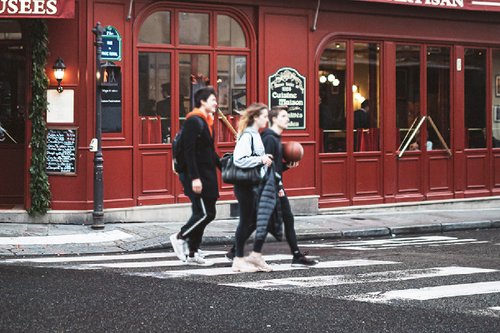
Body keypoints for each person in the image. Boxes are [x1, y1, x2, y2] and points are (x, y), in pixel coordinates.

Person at [226, 106, 319, 267]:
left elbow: (273, 165)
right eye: (283, 116)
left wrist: (287, 165)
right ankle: (294, 256)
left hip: (270, 185)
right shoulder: (269, 138)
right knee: (282, 218)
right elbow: (265, 166)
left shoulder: (274, 138)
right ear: (273, 119)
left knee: (260, 220)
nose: (287, 119)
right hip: (270, 186)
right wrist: (278, 187)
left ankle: (235, 251)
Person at [170, 86, 220, 266]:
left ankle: (193, 252)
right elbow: (190, 152)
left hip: (207, 173)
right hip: (198, 175)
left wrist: (222, 166)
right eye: (213, 100)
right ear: (203, 101)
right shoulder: (194, 121)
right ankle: (180, 236)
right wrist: (194, 178)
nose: (216, 103)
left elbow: (208, 151)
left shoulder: (205, 121)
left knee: (208, 213)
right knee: (203, 213)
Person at [231, 103, 274, 273]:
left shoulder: (254, 134)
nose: (266, 119)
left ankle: (247, 255)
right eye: (264, 116)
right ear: (256, 117)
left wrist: (263, 159)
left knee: (256, 220)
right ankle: (239, 259)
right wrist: (260, 160)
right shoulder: (248, 134)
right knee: (247, 221)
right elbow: (239, 159)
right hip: (245, 185)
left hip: (253, 184)